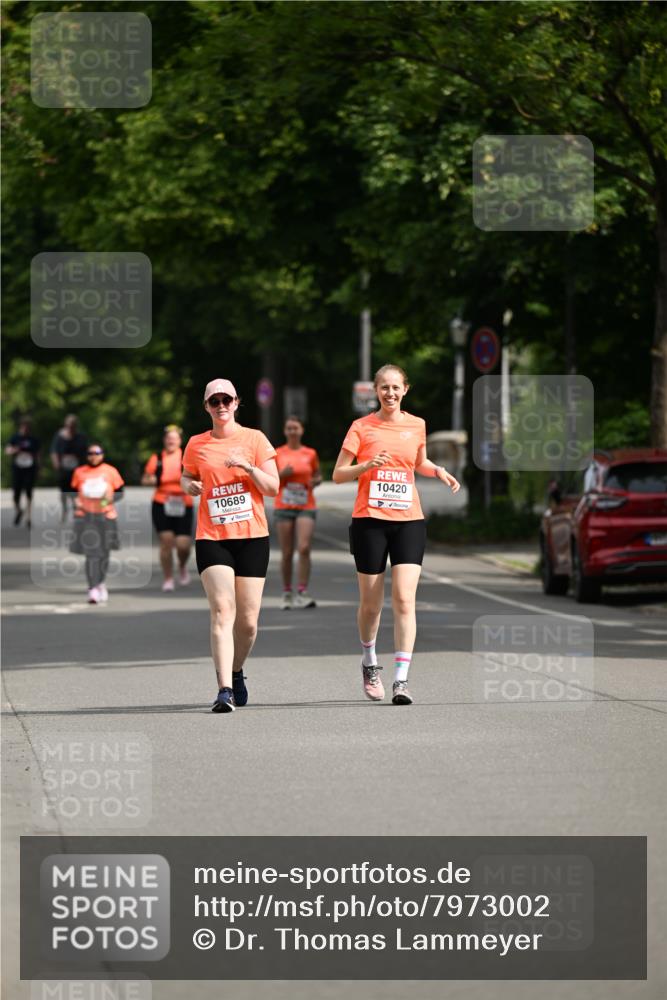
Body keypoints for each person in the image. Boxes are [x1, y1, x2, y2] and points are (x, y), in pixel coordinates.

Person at [333, 364, 460, 706]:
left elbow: (418, 462)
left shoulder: (416, 425)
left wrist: (439, 471)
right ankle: (370, 662)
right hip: (370, 521)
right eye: (384, 387)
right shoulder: (362, 427)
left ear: (405, 390)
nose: (390, 393)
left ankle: (401, 680)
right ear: (376, 391)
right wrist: (366, 466)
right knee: (371, 604)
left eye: (396, 387)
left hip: (408, 520)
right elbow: (338, 474)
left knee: (404, 599)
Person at [181, 378, 279, 713]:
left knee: (248, 622)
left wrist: (249, 467)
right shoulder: (196, 443)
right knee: (223, 611)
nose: (221, 406)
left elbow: (273, 488)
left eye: (227, 400)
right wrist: (189, 485)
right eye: (214, 401)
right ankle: (223, 689)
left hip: (252, 537)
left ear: (237, 402)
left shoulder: (255, 439)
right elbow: (186, 475)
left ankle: (236, 671)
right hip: (213, 538)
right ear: (206, 406)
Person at [274, 415, 322, 609]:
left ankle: (302, 591)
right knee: (286, 552)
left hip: (306, 504)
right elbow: (269, 480)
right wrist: (281, 474)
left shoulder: (310, 453)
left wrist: (316, 481)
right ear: (285, 431)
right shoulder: (277, 453)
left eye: (296, 428)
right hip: (284, 506)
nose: (292, 431)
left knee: (304, 547)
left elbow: (317, 475)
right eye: (289, 428)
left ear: (301, 430)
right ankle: (287, 591)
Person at [69, 443, 124, 604]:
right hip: (86, 517)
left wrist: (109, 499)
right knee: (92, 552)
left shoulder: (110, 471)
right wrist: (76, 502)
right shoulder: (79, 472)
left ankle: (100, 582)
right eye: (90, 453)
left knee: (104, 553)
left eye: (97, 453)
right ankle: (92, 588)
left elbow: (120, 492)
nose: (93, 456)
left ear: (102, 454)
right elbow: (72, 493)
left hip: (106, 516)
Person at [142, 424, 193, 591]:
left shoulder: (187, 457)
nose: (171, 441)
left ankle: (182, 566)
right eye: (168, 438)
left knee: (183, 545)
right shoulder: (156, 458)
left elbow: (197, 475)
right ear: (165, 440)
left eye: (174, 439)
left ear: (179, 441)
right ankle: (168, 578)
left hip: (183, 503)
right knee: (166, 542)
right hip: (162, 502)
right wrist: (155, 480)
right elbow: (146, 479)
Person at [50, 414, 88, 520]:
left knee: (75, 490)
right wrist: (56, 463)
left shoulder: (81, 437)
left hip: (77, 468)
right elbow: (54, 451)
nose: (71, 428)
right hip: (63, 467)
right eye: (69, 425)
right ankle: (64, 508)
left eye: (73, 426)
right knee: (63, 490)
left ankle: (76, 508)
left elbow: (85, 453)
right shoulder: (59, 436)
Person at [5, 416, 40, 527]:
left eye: (28, 428)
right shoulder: (15, 438)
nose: (26, 430)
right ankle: (19, 510)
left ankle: (28, 518)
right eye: (24, 427)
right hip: (18, 468)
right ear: (21, 427)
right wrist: (15, 450)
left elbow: (38, 455)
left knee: (29, 492)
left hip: (30, 468)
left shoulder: (33, 440)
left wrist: (39, 467)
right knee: (16, 494)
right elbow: (7, 450)